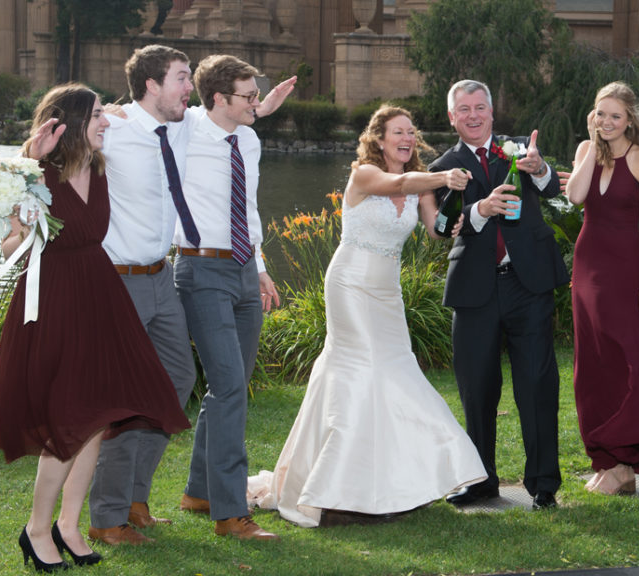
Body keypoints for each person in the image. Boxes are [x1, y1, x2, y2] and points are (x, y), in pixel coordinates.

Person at [0, 84, 190, 572]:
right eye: (96, 115)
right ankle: (36, 529)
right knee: (68, 420)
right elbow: (9, 247)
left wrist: (119, 110)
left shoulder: (97, 168)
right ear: (70, 122)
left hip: (100, 296)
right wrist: (28, 162)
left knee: (97, 419)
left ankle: (69, 525)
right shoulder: (36, 177)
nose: (105, 122)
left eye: (104, 114)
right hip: (55, 301)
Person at [246, 105, 486, 527]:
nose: (407, 138)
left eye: (412, 132)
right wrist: (444, 176)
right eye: (398, 132)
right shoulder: (365, 175)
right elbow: (401, 181)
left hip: (386, 289)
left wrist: (458, 217)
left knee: (397, 373)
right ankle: (335, 492)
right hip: (351, 284)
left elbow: (435, 231)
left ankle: (391, 482)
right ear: (379, 139)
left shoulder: (422, 187)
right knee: (358, 370)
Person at [429, 80, 569, 510]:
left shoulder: (520, 150)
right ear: (452, 117)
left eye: (480, 107)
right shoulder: (443, 166)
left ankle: (543, 483)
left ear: (492, 111)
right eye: (463, 109)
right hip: (475, 289)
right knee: (477, 388)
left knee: (537, 383)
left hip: (528, 285)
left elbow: (552, 191)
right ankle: (481, 480)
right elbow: (441, 226)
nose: (473, 115)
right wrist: (479, 210)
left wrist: (541, 168)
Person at [173, 54, 295, 539]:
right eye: (248, 96)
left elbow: (248, 208)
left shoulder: (248, 138)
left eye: (257, 94)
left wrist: (261, 267)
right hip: (201, 268)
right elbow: (137, 121)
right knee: (227, 390)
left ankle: (198, 491)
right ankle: (229, 512)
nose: (258, 102)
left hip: (245, 268)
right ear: (218, 99)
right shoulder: (184, 131)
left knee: (231, 387)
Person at [87, 44, 199, 545]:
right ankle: (107, 518)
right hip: (119, 281)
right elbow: (50, 156)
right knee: (123, 398)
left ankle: (135, 498)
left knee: (177, 378)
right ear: (152, 84)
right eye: (181, 78)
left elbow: (235, 109)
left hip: (161, 276)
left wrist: (263, 104)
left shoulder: (178, 125)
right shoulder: (110, 129)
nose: (188, 87)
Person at [564, 81, 639, 495]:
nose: (608, 122)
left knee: (630, 360)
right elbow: (576, 196)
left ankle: (627, 459)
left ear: (630, 119)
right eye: (601, 114)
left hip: (625, 270)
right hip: (588, 269)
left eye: (616, 115)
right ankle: (611, 462)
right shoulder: (587, 150)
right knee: (594, 366)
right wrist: (590, 143)